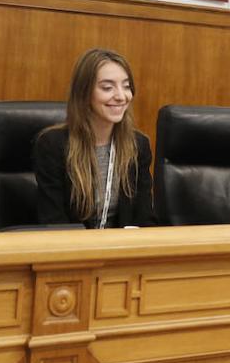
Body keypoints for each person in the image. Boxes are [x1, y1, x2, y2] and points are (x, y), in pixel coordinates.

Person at [34, 48, 155, 228]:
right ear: (84, 93)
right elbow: (53, 221)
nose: (121, 96)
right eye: (107, 87)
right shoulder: (53, 145)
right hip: (72, 250)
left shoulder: (138, 145)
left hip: (124, 250)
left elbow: (145, 220)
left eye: (127, 86)